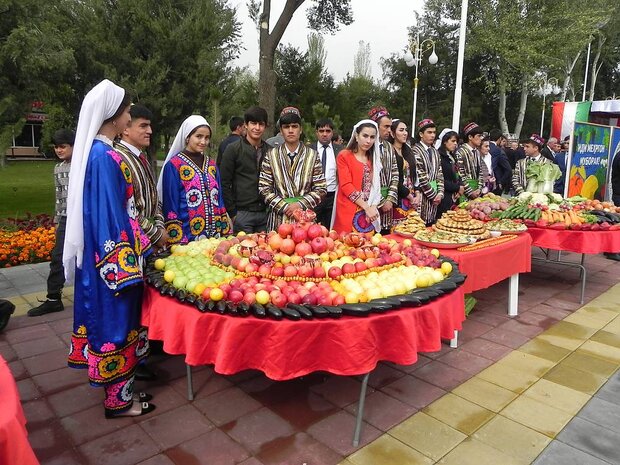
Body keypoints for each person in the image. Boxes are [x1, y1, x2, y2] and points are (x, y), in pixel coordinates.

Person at [64, 79, 155, 418]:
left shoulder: (103, 153)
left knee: (121, 326)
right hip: (112, 262)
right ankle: (119, 403)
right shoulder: (104, 157)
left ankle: (124, 393)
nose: (129, 116)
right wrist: (127, 261)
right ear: (114, 116)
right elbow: (109, 216)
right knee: (115, 327)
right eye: (128, 112)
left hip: (112, 253)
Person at [159, 115, 231, 244]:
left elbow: (219, 200)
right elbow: (171, 205)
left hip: (215, 237)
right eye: (198, 136)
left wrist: (225, 232)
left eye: (207, 138)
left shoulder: (212, 165)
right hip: (188, 237)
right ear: (187, 137)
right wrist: (178, 240)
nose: (203, 142)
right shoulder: (175, 165)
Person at [28, 129, 74, 317]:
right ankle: (54, 298)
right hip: (64, 218)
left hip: (82, 218)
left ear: (73, 145)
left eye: (63, 146)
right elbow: (59, 197)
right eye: (56, 147)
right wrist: (57, 220)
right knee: (58, 257)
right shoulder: (59, 168)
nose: (59, 150)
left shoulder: (84, 165)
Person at [258, 106, 326, 231]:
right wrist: (285, 206)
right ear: (281, 131)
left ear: (300, 130)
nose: (290, 130)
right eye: (286, 127)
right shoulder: (271, 155)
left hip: (305, 220)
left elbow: (321, 188)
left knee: (306, 249)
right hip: (278, 219)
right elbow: (263, 188)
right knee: (276, 248)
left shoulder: (312, 155)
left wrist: (300, 204)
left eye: (294, 126)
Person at [113, 104, 167, 252]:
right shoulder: (118, 159)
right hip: (133, 243)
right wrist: (156, 235)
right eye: (143, 126)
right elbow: (125, 208)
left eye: (149, 126)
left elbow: (153, 200)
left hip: (151, 241)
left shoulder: (140, 156)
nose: (150, 131)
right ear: (125, 128)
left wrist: (160, 227)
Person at [219, 106, 271, 233]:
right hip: (242, 213)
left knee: (265, 251)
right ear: (246, 125)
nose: (257, 128)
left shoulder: (270, 151)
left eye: (261, 124)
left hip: (265, 214)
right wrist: (233, 213)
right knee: (243, 251)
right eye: (253, 123)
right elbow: (224, 182)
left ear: (265, 126)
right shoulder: (233, 149)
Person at [332, 120, 382, 233]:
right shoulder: (344, 156)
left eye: (372, 137)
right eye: (365, 136)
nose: (368, 141)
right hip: (348, 209)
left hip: (369, 214)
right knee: (344, 247)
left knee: (367, 248)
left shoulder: (373, 159)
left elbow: (377, 187)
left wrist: (373, 206)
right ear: (356, 135)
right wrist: (366, 207)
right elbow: (346, 186)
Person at [368, 106, 399, 233]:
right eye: (385, 127)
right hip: (370, 203)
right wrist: (381, 201)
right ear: (376, 126)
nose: (389, 130)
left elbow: (395, 173)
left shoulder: (388, 146)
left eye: (390, 127)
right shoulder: (367, 147)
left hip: (388, 201)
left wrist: (390, 198)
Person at [411, 118, 444, 225]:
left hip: (435, 198)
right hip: (421, 196)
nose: (432, 135)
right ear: (421, 134)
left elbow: (440, 173)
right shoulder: (415, 150)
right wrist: (434, 195)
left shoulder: (435, 151)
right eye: (429, 132)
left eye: (434, 132)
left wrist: (440, 193)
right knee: (419, 225)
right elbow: (421, 176)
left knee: (431, 225)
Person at [310, 118, 343, 227]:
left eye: (328, 131)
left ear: (332, 133)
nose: (325, 134)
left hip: (332, 197)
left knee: (331, 229)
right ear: (316, 133)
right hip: (314, 196)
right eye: (321, 131)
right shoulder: (309, 150)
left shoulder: (340, 150)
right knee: (312, 229)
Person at [387, 119, 420, 225]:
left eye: (406, 130)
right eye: (401, 130)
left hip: (412, 198)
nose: (405, 133)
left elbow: (415, 175)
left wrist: (417, 194)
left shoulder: (408, 151)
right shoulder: (389, 152)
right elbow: (393, 179)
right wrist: (409, 196)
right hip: (398, 198)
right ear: (392, 133)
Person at [435, 129, 464, 218]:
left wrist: (461, 186)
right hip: (445, 196)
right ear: (444, 141)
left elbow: (458, 173)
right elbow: (440, 178)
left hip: (455, 195)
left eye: (456, 141)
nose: (455, 144)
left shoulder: (452, 156)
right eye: (453, 141)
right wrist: (457, 187)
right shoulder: (439, 156)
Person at [455, 122, 487, 199]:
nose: (481, 138)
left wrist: (479, 189)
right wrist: (470, 192)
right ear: (470, 137)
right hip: (464, 191)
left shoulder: (477, 152)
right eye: (479, 136)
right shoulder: (460, 152)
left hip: (476, 190)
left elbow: (481, 172)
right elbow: (460, 175)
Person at [489, 129, 512, 195]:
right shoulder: (498, 151)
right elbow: (508, 170)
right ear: (500, 139)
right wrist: (501, 182)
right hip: (496, 183)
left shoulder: (481, 148)